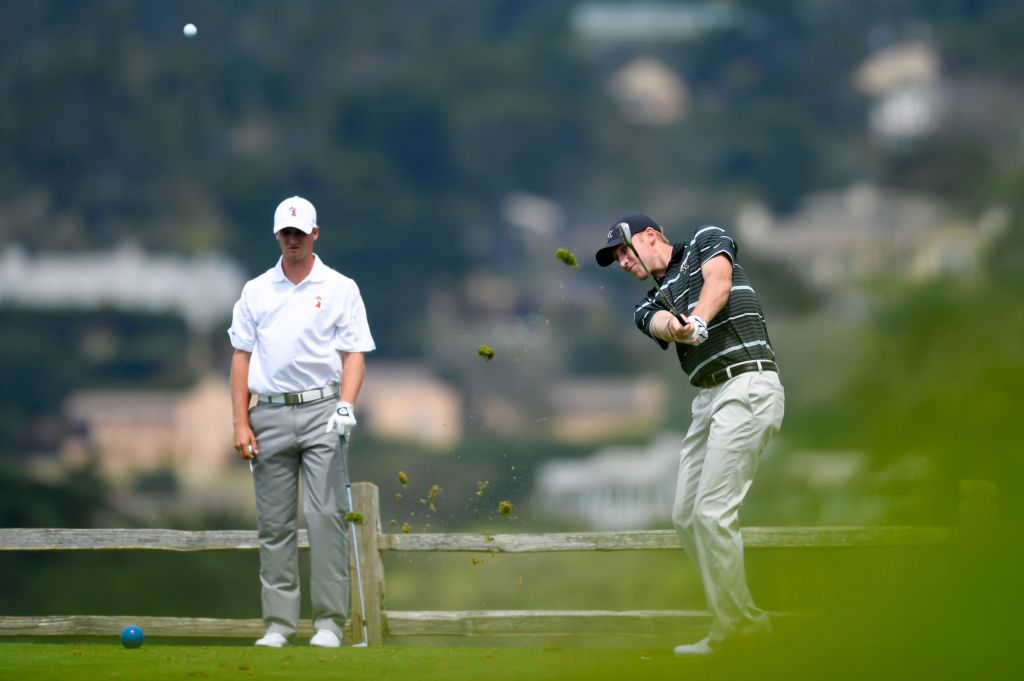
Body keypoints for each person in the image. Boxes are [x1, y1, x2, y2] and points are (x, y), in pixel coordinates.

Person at [595, 213, 785, 656]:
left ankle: (741, 630)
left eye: (625, 250)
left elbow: (717, 283)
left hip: (748, 383)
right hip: (707, 400)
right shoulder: (646, 304)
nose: (622, 261)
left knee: (712, 513)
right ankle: (733, 622)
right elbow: (659, 323)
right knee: (686, 517)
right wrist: (677, 327)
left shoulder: (706, 239)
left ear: (651, 236)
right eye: (616, 258)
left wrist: (697, 320)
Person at [228, 196, 375, 648]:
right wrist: (239, 423)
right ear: (277, 235)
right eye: (285, 233)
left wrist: (346, 405)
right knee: (274, 525)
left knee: (327, 516)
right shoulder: (256, 290)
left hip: (322, 412)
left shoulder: (340, 287)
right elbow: (241, 359)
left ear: (315, 234)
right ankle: (279, 625)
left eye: (300, 232)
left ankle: (329, 624)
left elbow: (354, 356)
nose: (292, 240)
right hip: (267, 412)